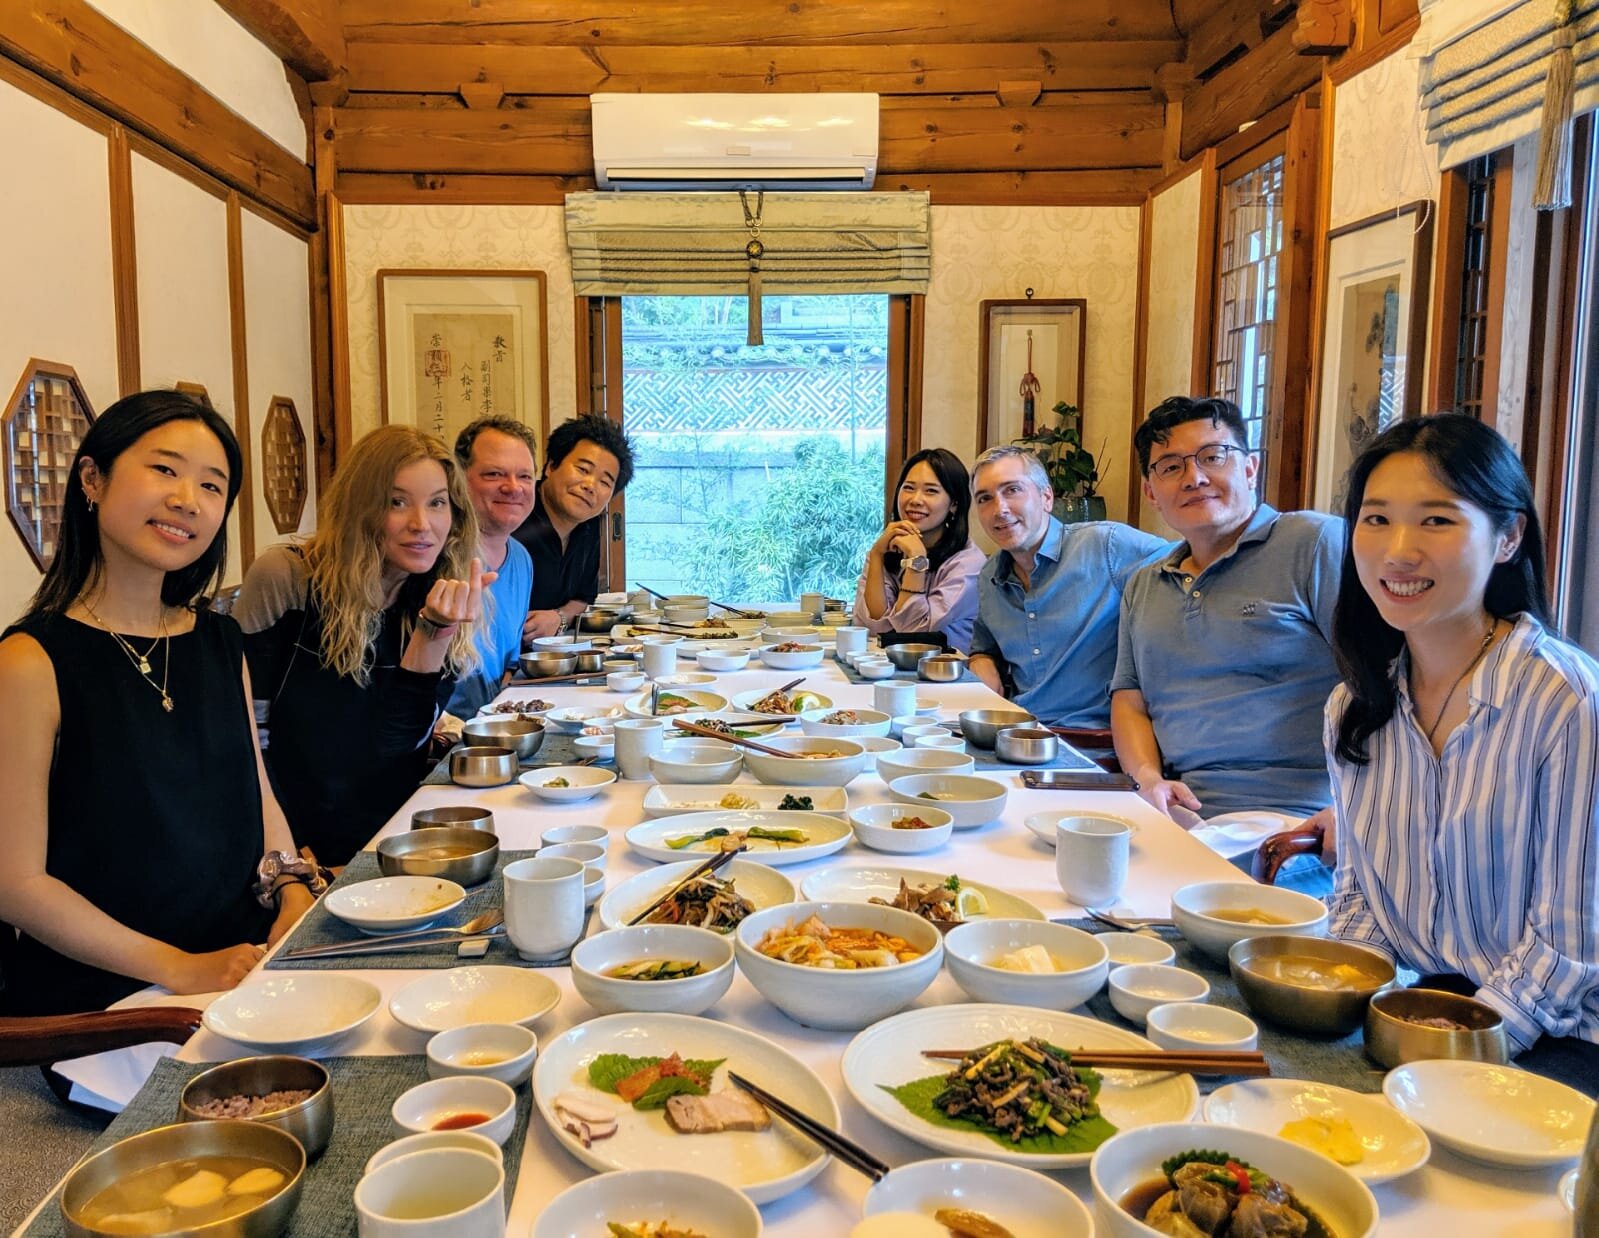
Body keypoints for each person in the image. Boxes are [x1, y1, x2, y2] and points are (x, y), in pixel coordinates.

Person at [0, 391, 315, 1019]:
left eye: (211, 485)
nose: (186, 500)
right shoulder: (30, 660)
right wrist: (178, 967)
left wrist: (289, 889)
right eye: (165, 470)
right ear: (92, 478)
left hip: (241, 961)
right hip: (113, 995)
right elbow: (17, 885)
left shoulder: (218, 639)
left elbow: (257, 793)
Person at [1327, 413, 1598, 1062]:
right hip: (1422, 1018)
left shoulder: (1564, 700)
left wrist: (1449, 1050)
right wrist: (1334, 989)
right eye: (1375, 518)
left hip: (1555, 1041)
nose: (1397, 550)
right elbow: (1359, 895)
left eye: (1436, 520)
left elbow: (1569, 946)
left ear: (1507, 537)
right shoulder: (1355, 705)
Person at [237, 425, 489, 867]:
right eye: (396, 502)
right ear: (360, 506)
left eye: (437, 503)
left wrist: (434, 632)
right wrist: (290, 858)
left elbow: (396, 750)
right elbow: (248, 740)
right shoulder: (288, 578)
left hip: (393, 835)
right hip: (293, 847)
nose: (421, 524)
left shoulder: (438, 594)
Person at [1111, 396, 1343, 848]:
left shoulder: (1314, 544)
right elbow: (1130, 700)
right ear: (1150, 492)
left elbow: (1390, 681)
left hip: (1295, 824)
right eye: (1171, 466)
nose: (1195, 477)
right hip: (1180, 816)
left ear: (1250, 468)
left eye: (1212, 457)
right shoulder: (1144, 585)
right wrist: (1146, 778)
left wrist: (1358, 805)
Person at [967, 446, 1167, 728]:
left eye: (1012, 490)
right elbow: (984, 645)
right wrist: (981, 660)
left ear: (1046, 497)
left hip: (1099, 745)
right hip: (1016, 732)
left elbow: (1185, 564)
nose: (999, 509)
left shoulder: (1105, 546)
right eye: (984, 498)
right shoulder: (990, 575)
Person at [444, 417, 537, 717]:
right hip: (440, 743)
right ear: (460, 478)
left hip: (495, 729)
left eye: (524, 476)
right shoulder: (439, 556)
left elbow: (509, 664)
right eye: (494, 474)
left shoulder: (521, 558)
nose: (513, 487)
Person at [513, 413, 634, 640]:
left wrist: (559, 617)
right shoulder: (514, 515)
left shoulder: (589, 527)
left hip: (553, 656)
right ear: (551, 466)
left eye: (605, 482)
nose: (590, 486)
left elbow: (583, 598)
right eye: (583, 469)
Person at [852, 448, 986, 652]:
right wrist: (877, 556)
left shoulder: (968, 562)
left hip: (946, 674)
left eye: (931, 491)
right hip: (891, 669)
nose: (915, 499)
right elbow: (873, 625)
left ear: (954, 504)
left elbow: (912, 634)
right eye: (908, 488)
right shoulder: (888, 547)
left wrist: (917, 561)